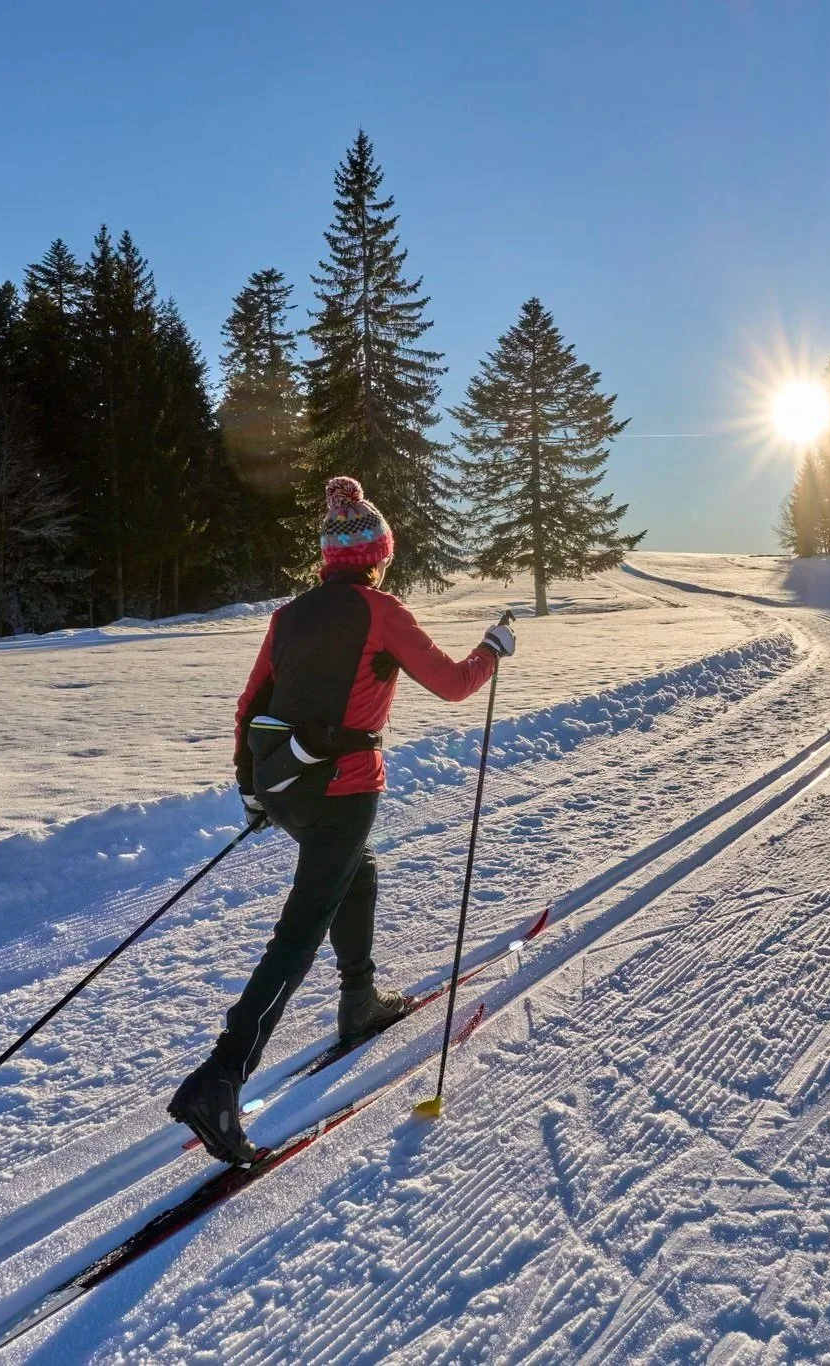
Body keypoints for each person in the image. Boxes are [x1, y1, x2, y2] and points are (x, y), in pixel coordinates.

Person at [168, 475, 516, 1163]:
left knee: (358, 871)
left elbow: (249, 704)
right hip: (343, 789)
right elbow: (451, 684)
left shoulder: (289, 615)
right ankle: (220, 1078)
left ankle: (358, 1000)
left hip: (286, 782)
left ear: (328, 560)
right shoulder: (382, 612)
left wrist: (252, 789)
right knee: (301, 927)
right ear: (378, 556)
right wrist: (493, 651)